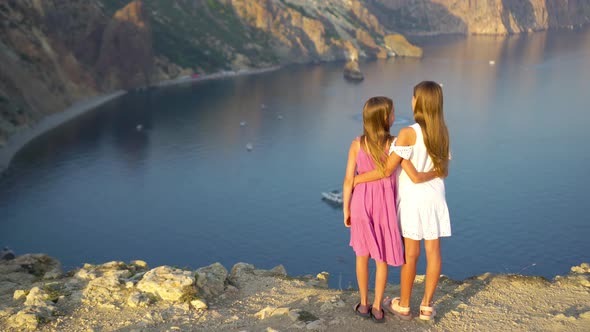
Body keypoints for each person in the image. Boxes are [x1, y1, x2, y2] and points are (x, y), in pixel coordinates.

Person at [354, 81, 451, 321]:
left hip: (412, 200)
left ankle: (405, 304)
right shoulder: (442, 131)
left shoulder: (409, 133)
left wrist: (357, 179)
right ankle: (427, 306)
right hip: (435, 197)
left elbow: (387, 170)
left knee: (411, 253)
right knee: (434, 251)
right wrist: (429, 172)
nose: (412, 100)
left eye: (414, 97)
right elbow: (443, 169)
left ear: (418, 102)